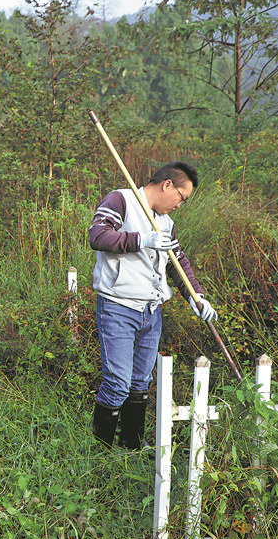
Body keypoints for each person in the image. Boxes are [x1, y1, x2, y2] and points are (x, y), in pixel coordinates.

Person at [88, 161, 217, 451]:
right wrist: (142, 240)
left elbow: (177, 262)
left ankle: (132, 445)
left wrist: (197, 297)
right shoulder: (121, 200)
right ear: (167, 185)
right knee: (118, 383)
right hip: (118, 306)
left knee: (140, 382)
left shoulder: (165, 221)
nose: (180, 206)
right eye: (181, 198)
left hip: (151, 310)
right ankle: (99, 451)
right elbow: (97, 236)